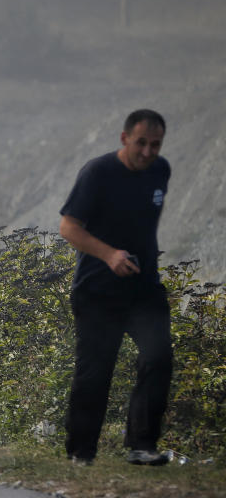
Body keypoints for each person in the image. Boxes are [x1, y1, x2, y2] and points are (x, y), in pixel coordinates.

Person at [59, 109, 172, 467]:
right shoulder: (99, 172)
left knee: (158, 358)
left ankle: (142, 445)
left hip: (144, 287)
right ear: (124, 139)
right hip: (98, 290)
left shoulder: (161, 170)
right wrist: (109, 255)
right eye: (141, 143)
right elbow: (68, 227)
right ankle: (81, 453)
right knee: (95, 371)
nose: (148, 152)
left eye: (155, 145)